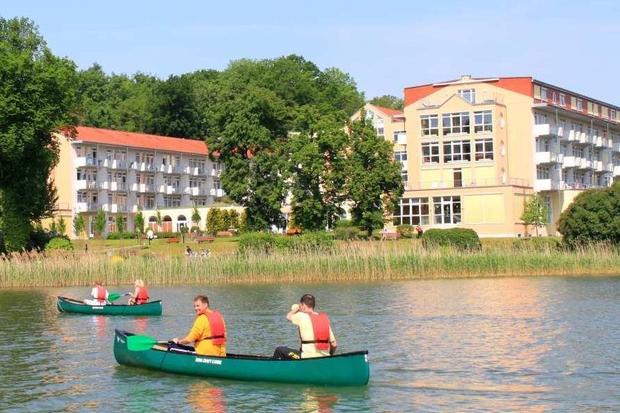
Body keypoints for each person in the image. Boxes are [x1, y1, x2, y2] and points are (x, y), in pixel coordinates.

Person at [273, 294, 337, 360]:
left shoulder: (301, 316)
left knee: (279, 350)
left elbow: (288, 316)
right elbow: (334, 344)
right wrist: (329, 355)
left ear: (303, 305)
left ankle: (275, 369)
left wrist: (296, 309)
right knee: (299, 350)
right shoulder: (323, 319)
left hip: (307, 357)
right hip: (325, 356)